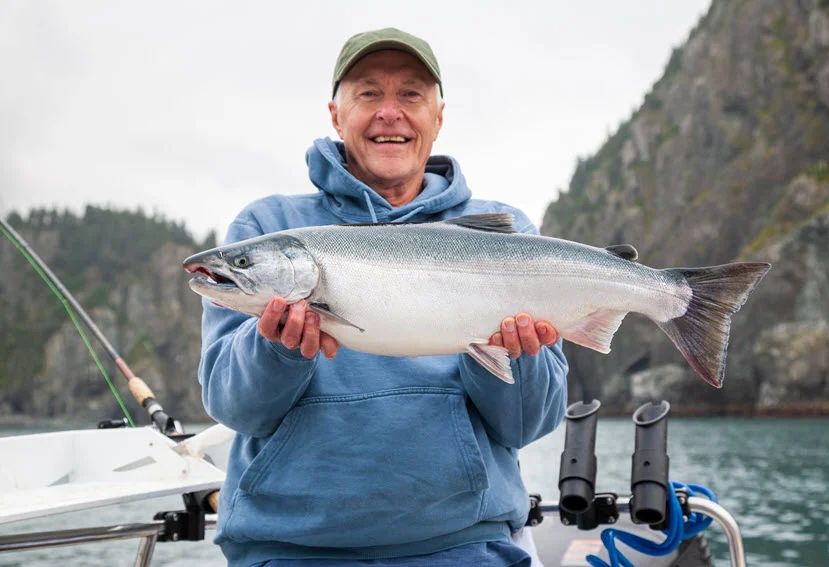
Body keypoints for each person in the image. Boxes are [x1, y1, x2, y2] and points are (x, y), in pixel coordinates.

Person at [198, 27, 568, 567]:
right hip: (291, 550)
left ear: (438, 117)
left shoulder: (508, 234)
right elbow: (233, 407)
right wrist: (274, 350)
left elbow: (528, 424)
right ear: (335, 113)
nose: (389, 112)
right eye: (368, 93)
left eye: (411, 95)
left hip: (464, 547)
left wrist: (516, 356)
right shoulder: (266, 225)